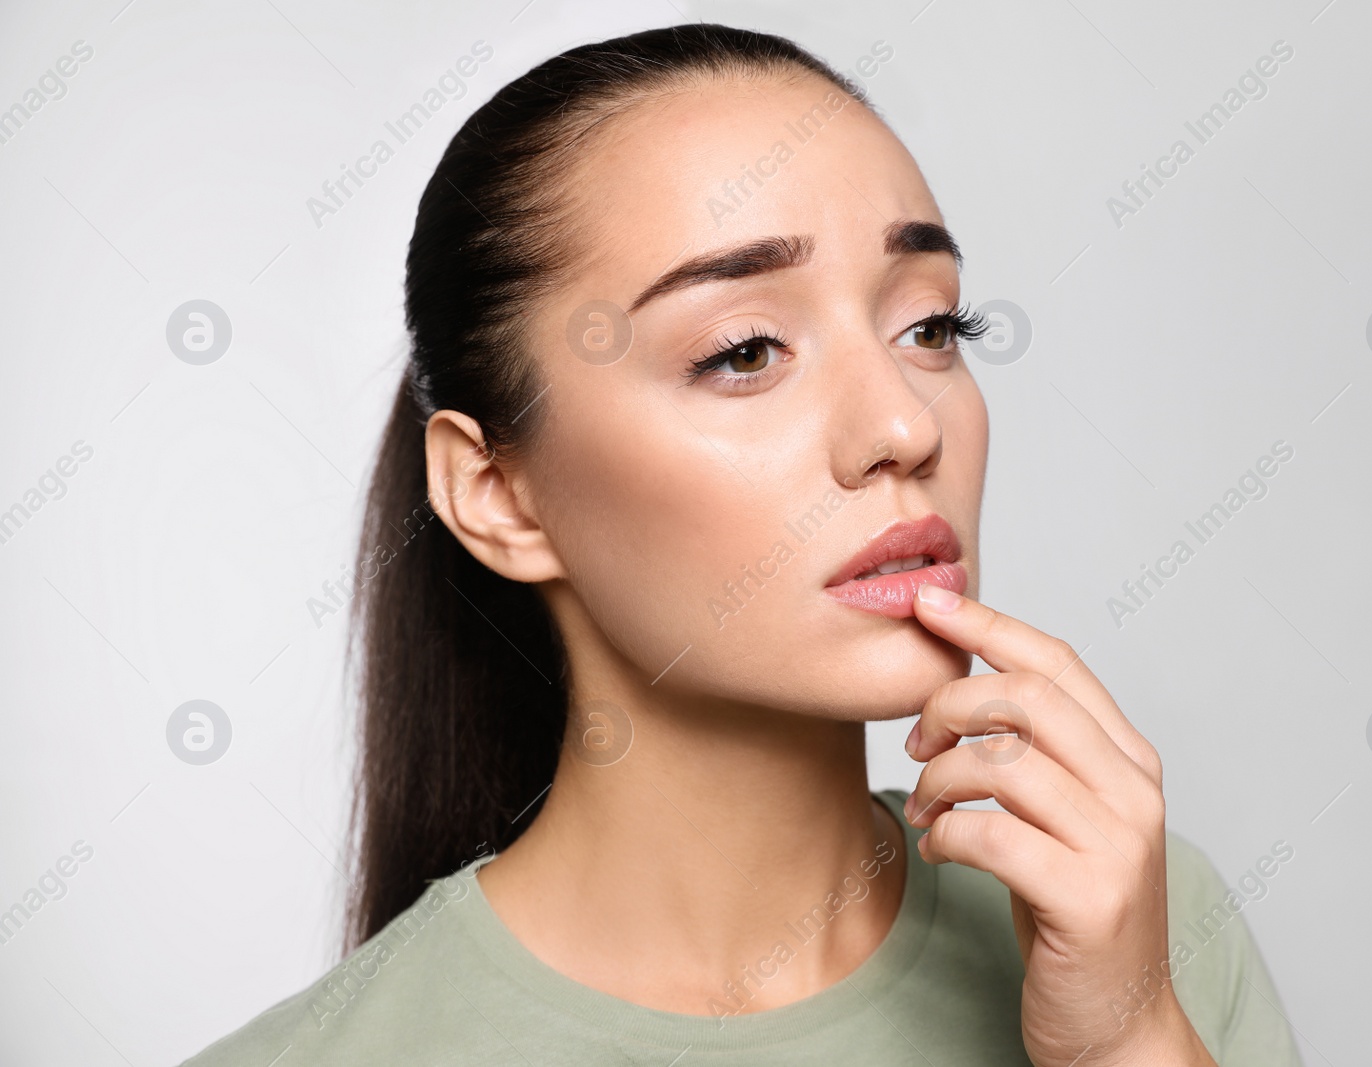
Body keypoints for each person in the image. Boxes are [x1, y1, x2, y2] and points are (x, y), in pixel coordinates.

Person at [181, 22, 1303, 1066]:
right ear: (497, 495)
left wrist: (1128, 1040)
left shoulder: (1138, 931)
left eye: (929, 326)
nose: (904, 427)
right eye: (745, 349)